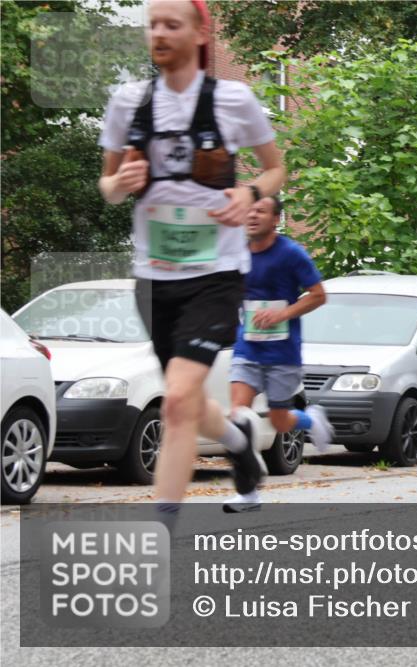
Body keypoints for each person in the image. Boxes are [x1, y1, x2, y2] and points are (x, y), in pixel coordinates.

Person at [98, 0, 286, 527]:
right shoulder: (129, 102)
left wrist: (249, 192)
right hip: (154, 278)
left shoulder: (233, 99)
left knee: (176, 398)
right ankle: (238, 440)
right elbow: (107, 186)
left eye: (171, 24)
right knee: (188, 401)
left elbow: (275, 169)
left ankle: (162, 527)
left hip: (216, 276)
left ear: (200, 32)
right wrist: (120, 183)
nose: (158, 33)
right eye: (152, 25)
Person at [224, 196, 332, 512]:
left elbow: (318, 295)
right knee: (237, 415)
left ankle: (311, 418)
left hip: (282, 352)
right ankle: (248, 493)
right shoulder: (237, 252)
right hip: (247, 347)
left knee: (280, 421)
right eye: (250, 210)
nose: (253, 215)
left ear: (275, 220)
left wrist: (281, 314)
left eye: (261, 211)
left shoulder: (291, 254)